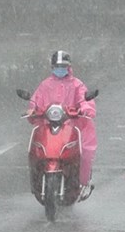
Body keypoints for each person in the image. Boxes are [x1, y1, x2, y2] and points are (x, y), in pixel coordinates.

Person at [26, 50, 97, 200]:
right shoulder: (45, 85)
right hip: (48, 128)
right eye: (57, 66)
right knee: (36, 151)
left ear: (69, 67)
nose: (60, 69)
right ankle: (36, 181)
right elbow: (36, 100)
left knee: (85, 151)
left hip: (71, 127)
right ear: (52, 67)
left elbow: (85, 100)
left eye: (63, 66)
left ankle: (83, 182)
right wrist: (32, 110)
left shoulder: (77, 84)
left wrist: (85, 109)